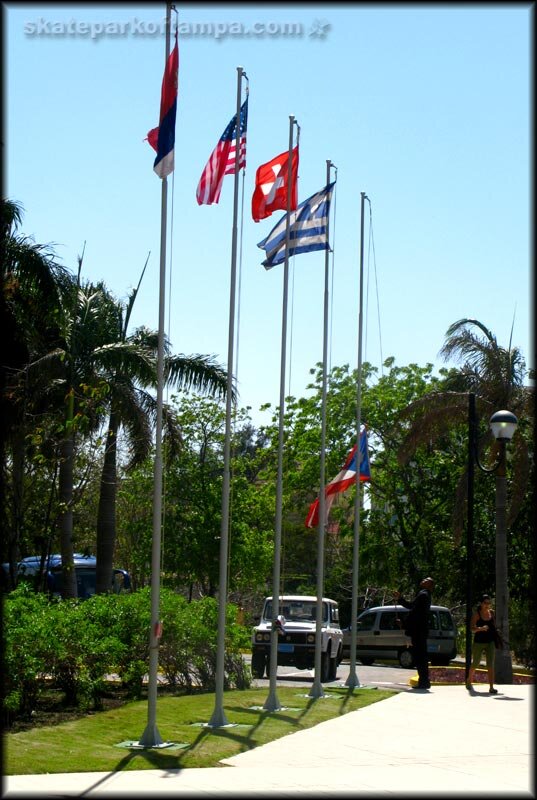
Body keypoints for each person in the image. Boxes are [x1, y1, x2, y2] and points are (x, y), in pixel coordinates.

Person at [394, 577, 434, 689]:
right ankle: (424, 681)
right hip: (420, 630)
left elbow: (414, 612)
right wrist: (400, 599)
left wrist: (404, 624)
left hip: (419, 631)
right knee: (421, 656)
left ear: (429, 585)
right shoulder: (424, 595)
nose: (423, 580)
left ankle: (424, 682)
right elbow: (413, 608)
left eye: (426, 580)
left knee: (420, 656)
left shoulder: (423, 595)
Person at [466, 594, 498, 694]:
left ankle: (491, 687)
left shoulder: (492, 613)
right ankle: (468, 681)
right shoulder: (477, 614)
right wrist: (481, 629)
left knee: (490, 664)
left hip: (490, 642)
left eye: (489, 603)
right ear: (481, 603)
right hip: (479, 642)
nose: (487, 605)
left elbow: (494, 625)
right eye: (485, 603)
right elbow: (471, 628)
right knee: (475, 662)